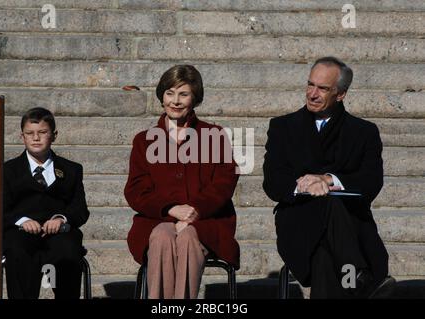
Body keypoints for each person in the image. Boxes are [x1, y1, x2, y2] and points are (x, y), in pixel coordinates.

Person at [263, 56, 395, 298]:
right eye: (310, 84)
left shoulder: (363, 132)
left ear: (341, 94)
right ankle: (358, 277)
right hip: (298, 221)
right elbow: (273, 182)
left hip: (351, 227)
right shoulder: (282, 127)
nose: (312, 93)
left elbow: (371, 182)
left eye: (322, 88)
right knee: (325, 214)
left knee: (323, 255)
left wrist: (328, 180)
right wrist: (304, 185)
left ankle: (356, 276)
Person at [125, 65, 240, 299]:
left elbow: (224, 182)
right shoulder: (144, 141)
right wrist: (171, 209)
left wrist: (193, 212)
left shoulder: (214, 135)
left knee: (188, 237)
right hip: (158, 219)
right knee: (162, 237)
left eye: (183, 94)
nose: (175, 101)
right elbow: (136, 190)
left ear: (194, 98)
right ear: (162, 96)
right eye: (170, 93)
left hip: (205, 220)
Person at [3, 107, 90, 299]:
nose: (36, 138)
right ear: (22, 136)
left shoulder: (71, 170)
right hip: (21, 234)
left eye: (42, 133)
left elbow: (80, 210)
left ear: (54, 135)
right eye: (30, 133)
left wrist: (61, 218)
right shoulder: (8, 171)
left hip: (59, 234)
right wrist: (21, 220)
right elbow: (0, 210)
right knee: (17, 252)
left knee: (67, 252)